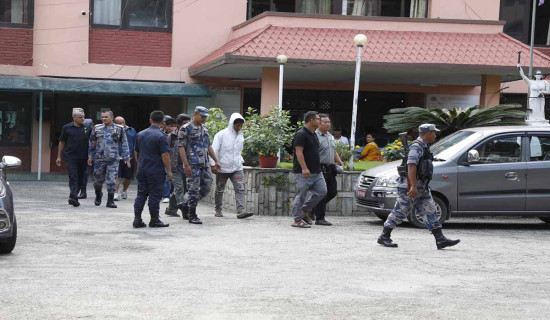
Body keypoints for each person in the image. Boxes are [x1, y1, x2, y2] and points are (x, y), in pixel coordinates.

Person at [377, 124, 460, 249]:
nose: (435, 135)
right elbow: (411, 166)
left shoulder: (423, 146)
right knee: (400, 211)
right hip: (410, 187)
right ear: (428, 133)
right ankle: (384, 236)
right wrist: (413, 186)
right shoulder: (416, 147)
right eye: (434, 132)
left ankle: (440, 239)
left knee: (430, 210)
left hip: (422, 187)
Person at [178, 106, 221, 224]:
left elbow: (208, 146)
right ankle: (192, 214)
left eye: (205, 116)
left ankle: (185, 205)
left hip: (204, 163)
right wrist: (186, 164)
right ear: (195, 114)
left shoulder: (205, 128)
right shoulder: (185, 128)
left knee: (206, 187)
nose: (204, 118)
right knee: (193, 189)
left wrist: (216, 160)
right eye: (202, 116)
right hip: (192, 164)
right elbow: (181, 147)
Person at [133, 110, 172, 228]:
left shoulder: (140, 134)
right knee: (155, 195)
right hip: (155, 170)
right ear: (163, 122)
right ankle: (154, 219)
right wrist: (169, 171)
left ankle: (137, 219)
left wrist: (139, 164)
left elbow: (135, 151)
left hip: (142, 169)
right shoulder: (161, 136)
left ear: (150, 120)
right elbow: (165, 155)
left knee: (141, 194)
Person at [210, 113, 253, 219]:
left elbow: (238, 151)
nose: (239, 127)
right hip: (222, 168)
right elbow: (214, 150)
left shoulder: (241, 136)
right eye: (237, 125)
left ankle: (240, 211)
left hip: (237, 167)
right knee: (220, 190)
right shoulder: (221, 134)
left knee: (240, 188)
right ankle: (218, 210)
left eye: (240, 125)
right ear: (232, 124)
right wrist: (213, 164)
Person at [291, 111, 327, 228]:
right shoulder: (301, 134)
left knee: (322, 191)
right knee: (301, 195)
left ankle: (304, 211)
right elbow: (298, 152)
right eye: (318, 119)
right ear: (311, 120)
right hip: (303, 172)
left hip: (317, 171)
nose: (320, 121)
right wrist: (304, 168)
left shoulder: (313, 134)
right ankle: (297, 220)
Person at [88, 110, 130, 208]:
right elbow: (91, 143)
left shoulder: (119, 129)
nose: (104, 119)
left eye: (106, 117)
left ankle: (110, 201)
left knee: (111, 181)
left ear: (112, 117)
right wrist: (90, 156)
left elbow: (124, 143)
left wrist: (126, 157)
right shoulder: (97, 128)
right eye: (102, 117)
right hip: (99, 158)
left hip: (113, 159)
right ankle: (98, 195)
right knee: (97, 181)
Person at [312, 114, 344, 226]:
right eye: (325, 122)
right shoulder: (315, 136)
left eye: (329, 122)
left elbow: (333, 151)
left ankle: (312, 208)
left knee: (332, 192)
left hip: (330, 167)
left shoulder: (330, 136)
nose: (327, 124)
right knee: (323, 192)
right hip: (319, 167)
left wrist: (339, 161)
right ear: (319, 123)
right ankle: (320, 218)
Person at [56, 108, 92, 207]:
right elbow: (62, 142)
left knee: (81, 177)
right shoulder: (67, 128)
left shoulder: (87, 128)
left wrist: (91, 156)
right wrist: (59, 156)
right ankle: (73, 197)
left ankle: (74, 194)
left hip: (83, 157)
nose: (82, 119)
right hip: (70, 156)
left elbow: (92, 142)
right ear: (74, 117)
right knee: (73, 176)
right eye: (80, 117)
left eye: (83, 117)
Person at [164, 113, 191, 218]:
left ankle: (171, 209)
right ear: (179, 124)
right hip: (174, 167)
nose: (187, 125)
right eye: (185, 123)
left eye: (189, 123)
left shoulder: (191, 135)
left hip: (187, 166)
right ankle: (183, 207)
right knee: (179, 188)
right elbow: (165, 152)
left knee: (183, 189)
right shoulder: (171, 136)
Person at [113, 116, 137, 201]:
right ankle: (115, 193)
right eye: (119, 123)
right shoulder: (113, 130)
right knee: (116, 176)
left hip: (129, 157)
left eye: (123, 122)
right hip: (117, 157)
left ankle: (124, 190)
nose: (122, 124)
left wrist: (136, 158)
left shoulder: (132, 130)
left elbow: (135, 145)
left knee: (128, 177)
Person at [162, 115, 175, 203]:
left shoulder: (177, 134)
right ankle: (166, 195)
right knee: (166, 177)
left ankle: (170, 193)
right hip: (165, 159)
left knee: (174, 178)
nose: (171, 128)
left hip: (175, 159)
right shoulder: (161, 134)